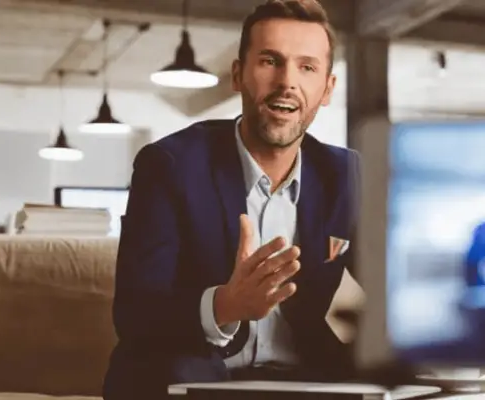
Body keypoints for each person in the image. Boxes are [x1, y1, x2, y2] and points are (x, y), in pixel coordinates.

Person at [102, 1, 360, 398]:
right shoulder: (168, 166)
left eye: (307, 67)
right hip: (193, 379)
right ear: (238, 75)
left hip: (309, 384)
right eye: (270, 61)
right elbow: (135, 316)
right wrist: (225, 305)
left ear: (326, 89)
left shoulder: (347, 175)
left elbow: (388, 297)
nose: (287, 82)